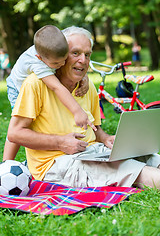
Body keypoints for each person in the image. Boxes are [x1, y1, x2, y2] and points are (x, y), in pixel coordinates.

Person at [4, 26, 160, 190]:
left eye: (87, 54)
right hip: (56, 163)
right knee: (133, 170)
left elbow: (95, 130)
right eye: (76, 53)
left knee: (150, 158)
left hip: (93, 152)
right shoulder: (35, 84)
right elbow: (15, 133)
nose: (83, 60)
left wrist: (105, 138)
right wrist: (60, 142)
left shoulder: (87, 86)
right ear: (62, 55)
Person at [3, 25, 96, 161]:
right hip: (16, 86)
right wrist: (77, 111)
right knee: (21, 123)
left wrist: (84, 77)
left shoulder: (53, 48)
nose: (63, 63)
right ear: (40, 58)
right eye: (57, 63)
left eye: (65, 59)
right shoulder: (38, 65)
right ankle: (7, 163)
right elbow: (57, 87)